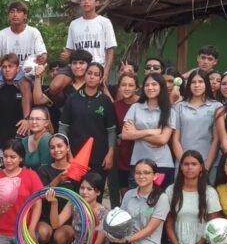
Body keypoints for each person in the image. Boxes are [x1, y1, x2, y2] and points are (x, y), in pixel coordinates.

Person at [101, 159, 170, 244]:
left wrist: (127, 239)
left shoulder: (161, 198)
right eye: (138, 172)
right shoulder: (129, 194)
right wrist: (111, 232)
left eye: (146, 173)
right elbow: (121, 219)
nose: (141, 176)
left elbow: (150, 229)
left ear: (154, 176)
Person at [161, 151, 223, 244]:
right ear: (181, 167)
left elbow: (212, 227)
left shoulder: (209, 192)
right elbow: (169, 224)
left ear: (201, 167)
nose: (189, 167)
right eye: (186, 164)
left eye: (194, 164)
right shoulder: (171, 190)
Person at [60, 62, 117, 171]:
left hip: (99, 156)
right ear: (84, 75)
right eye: (89, 73)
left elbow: (111, 130)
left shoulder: (105, 101)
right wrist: (67, 153)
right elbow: (63, 128)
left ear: (101, 79)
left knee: (95, 187)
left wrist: (110, 153)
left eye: (96, 74)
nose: (92, 77)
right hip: (75, 155)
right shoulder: (72, 99)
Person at [122, 74, 177, 186]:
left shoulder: (169, 111)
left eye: (154, 84)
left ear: (161, 87)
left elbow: (162, 140)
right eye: (147, 85)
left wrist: (136, 132)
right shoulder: (135, 107)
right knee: (137, 198)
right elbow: (125, 135)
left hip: (162, 164)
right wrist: (152, 131)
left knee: (159, 199)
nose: (150, 87)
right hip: (138, 162)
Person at [59, 0, 117, 86]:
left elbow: (110, 49)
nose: (86, 2)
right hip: (77, 65)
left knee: (96, 94)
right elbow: (69, 49)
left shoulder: (104, 22)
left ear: (97, 3)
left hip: (96, 65)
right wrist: (65, 55)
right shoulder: (74, 24)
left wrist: (106, 71)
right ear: (80, 3)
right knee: (55, 86)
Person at [171, 69, 220, 174]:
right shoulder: (179, 106)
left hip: (208, 163)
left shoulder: (217, 106)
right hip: (182, 163)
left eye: (201, 82)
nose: (197, 85)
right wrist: (185, 163)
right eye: (193, 82)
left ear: (206, 84)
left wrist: (206, 166)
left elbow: (217, 139)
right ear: (188, 85)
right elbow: (175, 139)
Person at [111, 71, 139, 201]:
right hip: (122, 157)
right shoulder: (115, 106)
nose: (127, 88)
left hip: (141, 155)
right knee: (125, 196)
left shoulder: (142, 105)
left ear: (136, 87)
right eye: (123, 85)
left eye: (130, 85)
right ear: (119, 87)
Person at [22, 105, 53, 171]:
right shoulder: (24, 140)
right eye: (31, 119)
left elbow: (45, 170)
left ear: (46, 123)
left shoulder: (46, 139)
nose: (34, 122)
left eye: (38, 119)